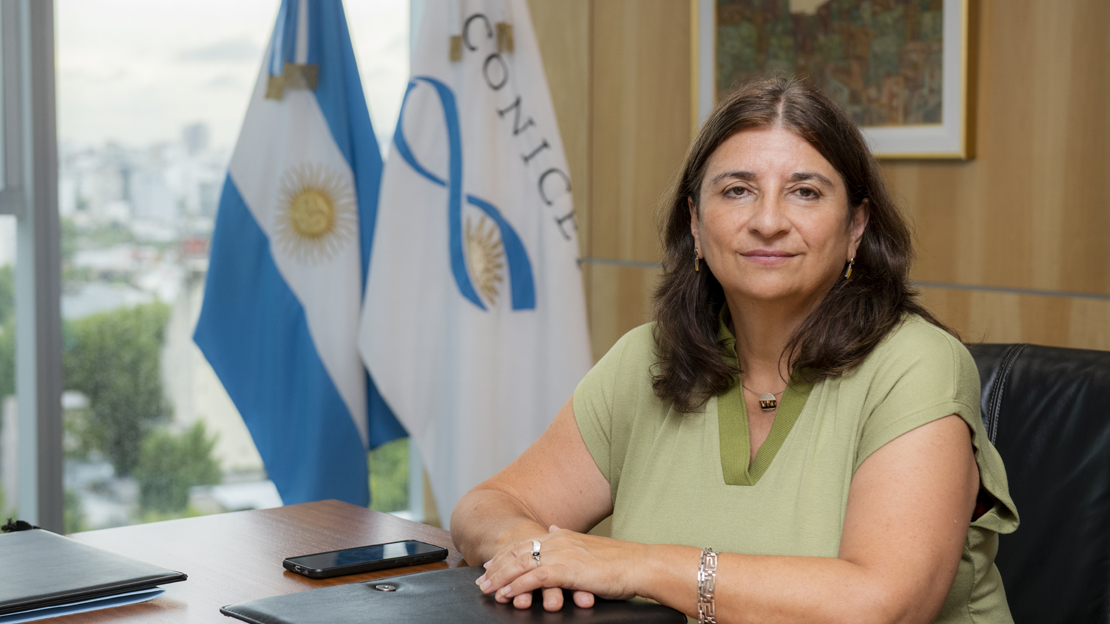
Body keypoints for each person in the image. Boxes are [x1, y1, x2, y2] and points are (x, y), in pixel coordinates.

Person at [450, 76, 1019, 624]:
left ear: (856, 227)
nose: (768, 222)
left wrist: (637, 565)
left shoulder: (918, 366)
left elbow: (881, 605)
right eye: (737, 190)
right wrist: (530, 552)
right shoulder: (647, 358)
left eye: (805, 192)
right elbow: (485, 506)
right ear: (696, 223)